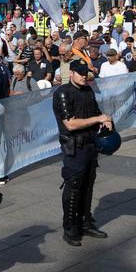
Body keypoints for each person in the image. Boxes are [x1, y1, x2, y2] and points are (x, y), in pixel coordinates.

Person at [52, 59, 113, 247]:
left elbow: (96, 112)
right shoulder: (63, 93)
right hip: (74, 146)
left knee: (88, 184)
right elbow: (70, 124)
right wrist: (97, 118)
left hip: (90, 144)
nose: (83, 76)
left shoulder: (87, 91)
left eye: (85, 73)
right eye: (79, 73)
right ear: (71, 73)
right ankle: (70, 227)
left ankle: (85, 222)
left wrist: (105, 121)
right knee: (74, 185)